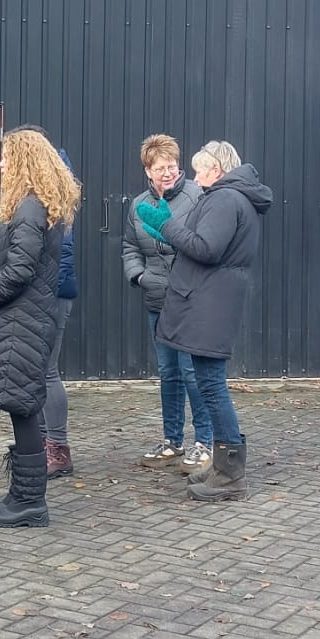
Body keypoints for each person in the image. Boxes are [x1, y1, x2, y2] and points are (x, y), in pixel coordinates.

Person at [136, 141, 272, 502]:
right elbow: (204, 244)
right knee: (210, 383)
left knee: (211, 384)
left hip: (208, 301)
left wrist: (167, 226)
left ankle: (229, 475)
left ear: (217, 169)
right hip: (213, 299)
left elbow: (207, 248)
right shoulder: (235, 197)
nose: (195, 178)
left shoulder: (225, 198)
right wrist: (168, 233)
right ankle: (223, 468)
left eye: (200, 170)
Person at [0, 127, 80, 528]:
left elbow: (20, 267)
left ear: (23, 161)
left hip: (21, 318)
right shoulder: (39, 205)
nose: (0, 163)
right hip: (26, 316)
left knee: (22, 406)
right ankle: (23, 496)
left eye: (6, 156)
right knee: (23, 405)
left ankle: (29, 502)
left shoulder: (30, 207)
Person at [120, 133, 210, 471]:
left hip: (190, 300)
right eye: (160, 168)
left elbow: (205, 244)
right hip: (156, 299)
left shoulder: (197, 196)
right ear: (148, 171)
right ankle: (173, 441)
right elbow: (130, 247)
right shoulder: (138, 205)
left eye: (172, 166)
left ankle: (205, 442)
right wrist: (139, 276)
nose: (168, 173)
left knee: (192, 372)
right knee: (168, 373)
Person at [41, 144, 79, 478]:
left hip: (52, 295)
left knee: (48, 371)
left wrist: (47, 294)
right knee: (38, 371)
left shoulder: (54, 200)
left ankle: (57, 448)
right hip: (46, 294)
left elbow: (62, 254)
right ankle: (42, 444)